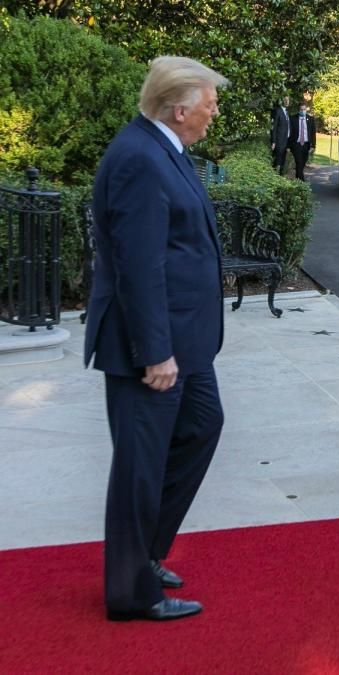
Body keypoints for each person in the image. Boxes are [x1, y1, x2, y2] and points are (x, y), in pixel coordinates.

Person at [83, 55, 228, 622]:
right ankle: (130, 591)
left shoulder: (163, 149)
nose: (214, 112)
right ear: (180, 107)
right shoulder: (140, 158)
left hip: (186, 342)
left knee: (201, 427)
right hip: (155, 349)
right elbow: (137, 265)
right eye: (210, 103)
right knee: (139, 469)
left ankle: (144, 556)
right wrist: (155, 352)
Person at [289, 101, 316, 181]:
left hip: (306, 145)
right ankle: (302, 182)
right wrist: (289, 146)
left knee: (302, 164)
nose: (303, 111)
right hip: (296, 145)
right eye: (301, 109)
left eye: (304, 110)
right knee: (299, 162)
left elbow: (313, 133)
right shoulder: (293, 118)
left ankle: (297, 180)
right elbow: (290, 132)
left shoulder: (310, 119)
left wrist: (313, 146)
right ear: (299, 110)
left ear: (306, 110)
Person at [270, 95, 291, 175]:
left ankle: (280, 177)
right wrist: (274, 141)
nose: (286, 102)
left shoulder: (286, 112)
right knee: (277, 161)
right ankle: (273, 177)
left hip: (286, 140)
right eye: (285, 100)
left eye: (288, 100)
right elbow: (274, 127)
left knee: (282, 161)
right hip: (279, 141)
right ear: (281, 101)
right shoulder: (278, 111)